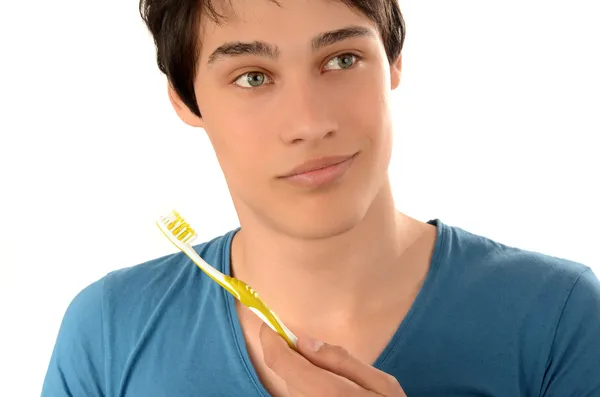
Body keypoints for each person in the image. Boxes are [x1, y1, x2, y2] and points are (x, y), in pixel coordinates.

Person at [41, 0, 600, 396]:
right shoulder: (109, 330)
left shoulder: (558, 315)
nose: (310, 123)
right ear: (187, 101)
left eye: (341, 60)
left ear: (393, 61)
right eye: (253, 77)